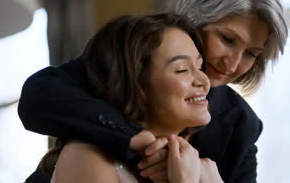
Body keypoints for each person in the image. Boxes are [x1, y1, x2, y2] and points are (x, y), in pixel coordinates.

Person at [19, 0, 288, 183]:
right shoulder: (126, 61)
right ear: (197, 16)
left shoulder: (242, 125)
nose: (233, 63)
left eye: (251, 53)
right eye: (228, 40)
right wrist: (136, 141)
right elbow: (38, 97)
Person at [48, 14, 222, 183]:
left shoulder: (191, 164)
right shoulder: (86, 156)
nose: (204, 81)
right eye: (182, 69)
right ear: (134, 84)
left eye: (199, 67)